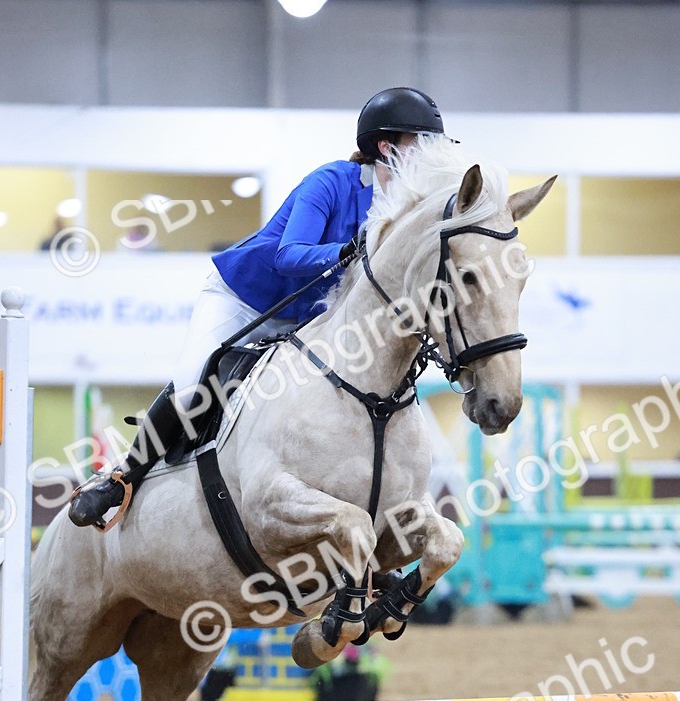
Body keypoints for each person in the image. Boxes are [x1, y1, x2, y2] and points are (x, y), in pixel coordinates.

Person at [68, 87, 451, 529]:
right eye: (420, 142)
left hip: (309, 315)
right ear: (387, 146)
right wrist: (349, 248)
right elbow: (288, 255)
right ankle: (119, 479)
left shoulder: (402, 207)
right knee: (196, 386)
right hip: (242, 297)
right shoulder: (328, 181)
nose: (430, 154)